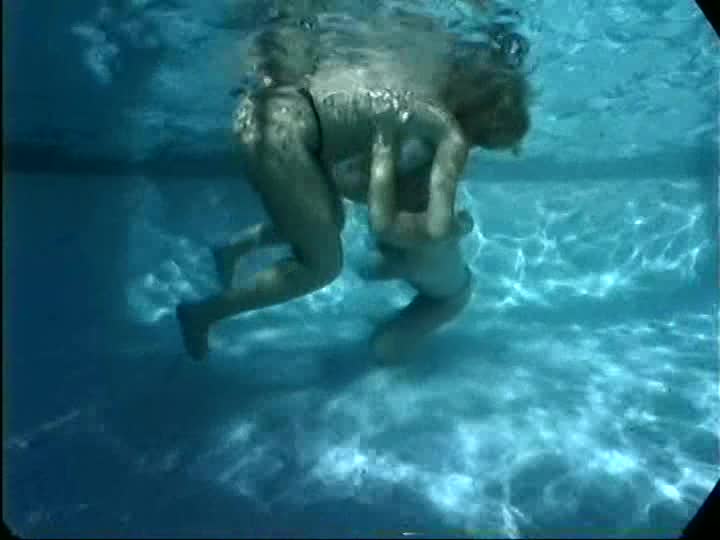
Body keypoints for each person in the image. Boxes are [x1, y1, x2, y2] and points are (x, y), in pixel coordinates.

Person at [176, 17, 530, 361]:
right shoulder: (437, 129)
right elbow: (374, 202)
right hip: (280, 139)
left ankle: (234, 249)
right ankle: (202, 314)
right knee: (321, 266)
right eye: (481, 141)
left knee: (328, 220)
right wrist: (432, 219)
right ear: (475, 125)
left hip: (270, 117)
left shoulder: (416, 94)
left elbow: (353, 172)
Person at [211, 159, 476, 363]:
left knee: (382, 352)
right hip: (439, 275)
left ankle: (406, 335)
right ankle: (237, 246)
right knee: (322, 223)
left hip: (447, 301)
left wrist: (347, 257)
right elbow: (462, 222)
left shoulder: (415, 257)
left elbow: (368, 270)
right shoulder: (431, 230)